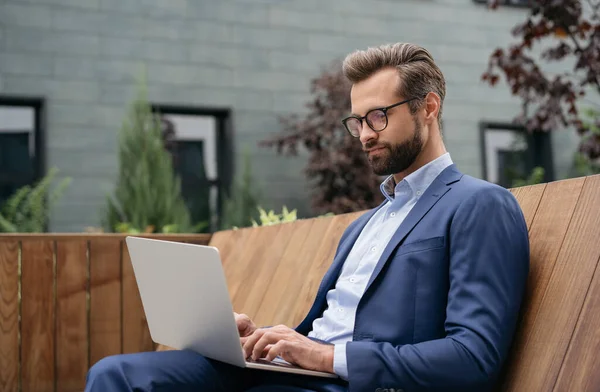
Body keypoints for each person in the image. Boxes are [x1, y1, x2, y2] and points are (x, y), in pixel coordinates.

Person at [84, 42, 530, 392]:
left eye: (378, 117)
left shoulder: (479, 204)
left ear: (428, 108)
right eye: (357, 122)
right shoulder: (364, 225)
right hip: (290, 372)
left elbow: (473, 357)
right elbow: (327, 324)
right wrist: (258, 341)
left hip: (347, 383)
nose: (366, 135)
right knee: (116, 376)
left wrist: (325, 358)